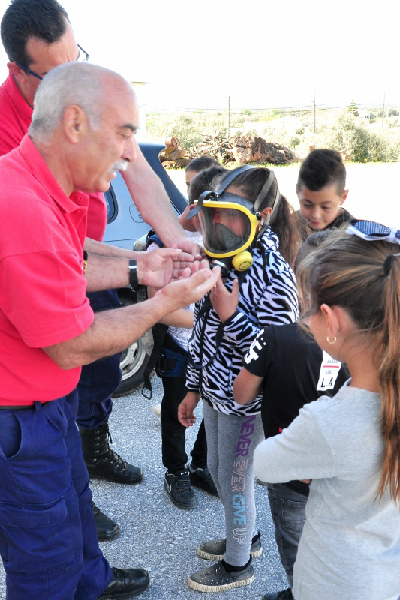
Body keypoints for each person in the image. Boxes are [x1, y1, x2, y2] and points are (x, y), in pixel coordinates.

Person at [0, 61, 220, 600]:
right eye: (124, 133)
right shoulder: (21, 207)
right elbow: (72, 343)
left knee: (73, 510)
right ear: (74, 123)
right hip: (18, 422)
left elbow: (68, 258)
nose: (129, 152)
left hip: (47, 408)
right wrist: (161, 302)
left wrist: (141, 269)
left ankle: (91, 583)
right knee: (43, 564)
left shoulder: (35, 183)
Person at [253, 219, 400, 600]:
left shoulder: (327, 422)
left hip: (333, 581)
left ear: (331, 321)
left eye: (308, 308)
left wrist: (310, 445)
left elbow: (265, 464)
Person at [178, 166, 300, 592]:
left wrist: (232, 316)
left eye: (234, 216)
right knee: (216, 468)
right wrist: (193, 387)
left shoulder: (273, 273)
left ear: (261, 215)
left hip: (245, 404)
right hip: (214, 394)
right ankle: (243, 536)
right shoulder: (222, 258)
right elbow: (200, 330)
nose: (222, 225)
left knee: (234, 479)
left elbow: (277, 350)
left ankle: (237, 563)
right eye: (216, 214)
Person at [232, 231, 350, 600]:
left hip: (290, 473)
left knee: (297, 552)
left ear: (301, 285)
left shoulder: (272, 338)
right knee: (336, 548)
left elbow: (241, 394)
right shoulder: (358, 343)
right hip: (339, 472)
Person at [148, 164, 225, 509]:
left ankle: (200, 464)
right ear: (196, 204)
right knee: (176, 408)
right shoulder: (169, 242)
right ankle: (176, 470)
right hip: (182, 348)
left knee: (214, 407)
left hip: (218, 351)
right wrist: (209, 322)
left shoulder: (226, 240)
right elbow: (160, 309)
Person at [296, 149, 353, 234]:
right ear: (297, 191)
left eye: (326, 207)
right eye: (307, 205)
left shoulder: (352, 236)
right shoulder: (289, 226)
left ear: (343, 197)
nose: (316, 215)